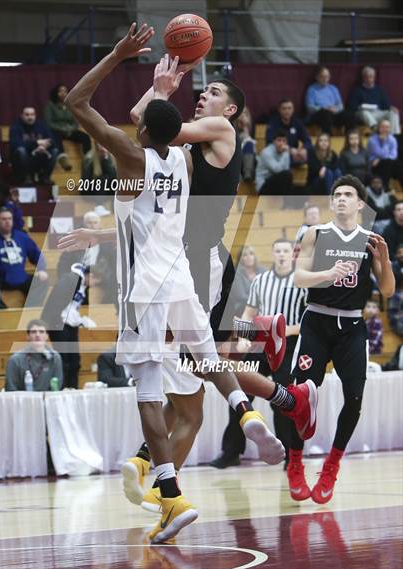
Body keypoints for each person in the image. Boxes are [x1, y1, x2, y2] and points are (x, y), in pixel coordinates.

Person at [62, 24, 290, 544]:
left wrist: (123, 58)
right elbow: (154, 127)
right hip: (185, 276)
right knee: (204, 356)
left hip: (147, 288)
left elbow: (82, 104)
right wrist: (161, 99)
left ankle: (171, 496)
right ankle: (247, 409)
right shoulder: (184, 163)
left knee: (148, 393)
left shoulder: (133, 156)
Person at [288, 174, 395, 504]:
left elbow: (388, 290)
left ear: (360, 203)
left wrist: (386, 260)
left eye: (348, 194)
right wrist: (327, 274)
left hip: (351, 327)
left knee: (355, 399)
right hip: (316, 321)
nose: (341, 199)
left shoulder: (370, 240)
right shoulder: (315, 234)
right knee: (300, 396)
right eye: (337, 194)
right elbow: (298, 277)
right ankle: (294, 463)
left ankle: (331, 465)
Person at [211, 239, 307, 470]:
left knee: (284, 398)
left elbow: (308, 320)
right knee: (239, 393)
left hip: (288, 345)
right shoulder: (261, 281)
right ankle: (232, 452)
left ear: (292, 254)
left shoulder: (302, 283)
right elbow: (248, 312)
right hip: (260, 345)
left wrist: (280, 331)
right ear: (273, 253)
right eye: (278, 250)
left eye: (286, 250)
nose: (282, 254)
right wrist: (244, 337)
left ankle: (289, 454)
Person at [41, 263, 97, 389]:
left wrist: (79, 319)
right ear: (91, 275)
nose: (95, 285)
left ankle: (73, 389)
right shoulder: (70, 279)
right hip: (58, 322)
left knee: (75, 361)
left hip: (70, 324)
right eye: (96, 280)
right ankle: (62, 389)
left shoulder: (82, 285)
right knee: (64, 360)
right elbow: (56, 304)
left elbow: (72, 306)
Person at [0, 207, 49, 307]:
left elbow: (36, 254)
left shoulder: (22, 237)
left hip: (20, 277)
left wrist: (41, 269)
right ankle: (3, 312)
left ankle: (30, 310)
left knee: (41, 281)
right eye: (4, 219)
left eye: (10, 219)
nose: (7, 222)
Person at [5, 319, 63, 391]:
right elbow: (11, 389)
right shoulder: (15, 360)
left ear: (47, 336)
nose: (37, 335)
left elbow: (57, 388)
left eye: (41, 332)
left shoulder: (55, 358)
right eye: (33, 332)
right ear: (28, 336)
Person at [44, 84, 91, 170]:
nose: (63, 93)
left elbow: (76, 122)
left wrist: (71, 129)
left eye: (65, 91)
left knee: (85, 137)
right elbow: (49, 122)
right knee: (55, 135)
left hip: (70, 130)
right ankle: (62, 159)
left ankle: (88, 159)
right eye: (60, 91)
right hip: (56, 130)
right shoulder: (50, 105)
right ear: (56, 93)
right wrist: (62, 128)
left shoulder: (71, 105)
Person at [9, 106, 58, 185]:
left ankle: (45, 177)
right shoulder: (16, 126)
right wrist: (36, 143)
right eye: (27, 115)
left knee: (54, 151)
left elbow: (53, 141)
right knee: (21, 150)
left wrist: (43, 146)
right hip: (23, 159)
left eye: (32, 115)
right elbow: (15, 144)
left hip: (39, 156)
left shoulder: (42, 125)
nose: (30, 117)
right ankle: (27, 177)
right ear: (22, 116)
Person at [348, 66, 400, 135]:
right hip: (364, 112)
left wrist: (391, 107)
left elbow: (386, 105)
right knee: (364, 113)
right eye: (366, 77)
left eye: (371, 76)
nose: (369, 79)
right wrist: (361, 107)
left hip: (378, 112)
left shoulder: (379, 89)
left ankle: (394, 136)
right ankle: (377, 131)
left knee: (393, 113)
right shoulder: (357, 90)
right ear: (363, 78)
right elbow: (352, 106)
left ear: (374, 77)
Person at [305, 66, 355, 134]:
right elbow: (310, 107)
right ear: (317, 77)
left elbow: (340, 105)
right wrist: (324, 108)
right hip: (319, 114)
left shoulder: (333, 88)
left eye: (327, 77)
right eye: (322, 76)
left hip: (334, 113)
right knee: (326, 114)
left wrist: (336, 109)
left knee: (349, 115)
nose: (325, 79)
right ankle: (327, 139)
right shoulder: (312, 89)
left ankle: (350, 137)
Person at [266, 99, 312, 166]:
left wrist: (304, 149)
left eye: (289, 108)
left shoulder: (297, 123)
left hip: (295, 154)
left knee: (312, 152)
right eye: (284, 108)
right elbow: (269, 142)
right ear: (279, 110)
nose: (287, 111)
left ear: (293, 110)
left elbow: (307, 140)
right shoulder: (273, 124)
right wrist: (288, 149)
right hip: (279, 154)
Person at [230, 246, 265, 318]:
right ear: (240, 259)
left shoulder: (262, 271)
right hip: (242, 307)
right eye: (245, 255)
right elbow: (241, 296)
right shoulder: (236, 274)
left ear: (255, 257)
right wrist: (260, 300)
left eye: (251, 254)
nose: (249, 257)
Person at [255, 129, 293, 195]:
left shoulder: (285, 152)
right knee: (286, 175)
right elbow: (277, 170)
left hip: (276, 184)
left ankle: (286, 203)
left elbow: (286, 169)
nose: (281, 143)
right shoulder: (266, 152)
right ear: (274, 141)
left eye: (284, 141)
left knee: (300, 189)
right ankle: (286, 203)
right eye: (279, 140)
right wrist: (286, 153)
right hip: (263, 186)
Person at [367, 119, 403, 187]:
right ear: (378, 128)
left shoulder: (392, 139)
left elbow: (394, 155)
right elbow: (381, 154)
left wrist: (379, 159)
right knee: (389, 163)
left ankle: (387, 188)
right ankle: (385, 189)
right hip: (373, 165)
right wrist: (384, 142)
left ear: (390, 128)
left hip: (384, 163)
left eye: (387, 127)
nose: (385, 129)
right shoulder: (372, 139)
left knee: (397, 164)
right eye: (382, 127)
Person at [236, 106, 256, 182]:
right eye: (240, 113)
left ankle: (248, 173)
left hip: (249, 157)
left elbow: (250, 141)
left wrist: (245, 127)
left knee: (248, 144)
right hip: (235, 155)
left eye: (244, 113)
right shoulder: (231, 126)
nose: (242, 115)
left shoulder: (250, 127)